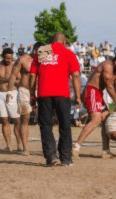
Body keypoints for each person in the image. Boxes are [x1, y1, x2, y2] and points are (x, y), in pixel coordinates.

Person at [29, 32, 81, 167]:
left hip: (44, 93)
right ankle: (65, 158)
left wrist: (32, 95)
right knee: (65, 126)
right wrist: (78, 97)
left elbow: (33, 75)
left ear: (51, 41)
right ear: (64, 42)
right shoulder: (68, 53)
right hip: (62, 94)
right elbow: (75, 76)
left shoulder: (42, 51)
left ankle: (51, 156)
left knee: (46, 126)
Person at [72, 53, 116, 159]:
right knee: (96, 119)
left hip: (98, 94)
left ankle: (105, 151)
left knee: (106, 120)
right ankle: (76, 147)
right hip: (91, 91)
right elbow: (108, 86)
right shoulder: (107, 65)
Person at [7, 42, 42, 156]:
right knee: (25, 118)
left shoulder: (44, 60)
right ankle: (25, 147)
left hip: (41, 91)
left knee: (44, 119)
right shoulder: (23, 59)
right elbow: (13, 74)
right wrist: (9, 90)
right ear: (34, 50)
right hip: (24, 90)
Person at [0, 48, 21, 152]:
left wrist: (12, 81)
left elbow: (21, 81)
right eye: (7, 58)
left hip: (13, 94)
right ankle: (8, 145)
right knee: (4, 120)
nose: (9, 60)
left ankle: (19, 143)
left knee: (16, 120)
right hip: (0, 94)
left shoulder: (16, 67)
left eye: (10, 58)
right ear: (2, 56)